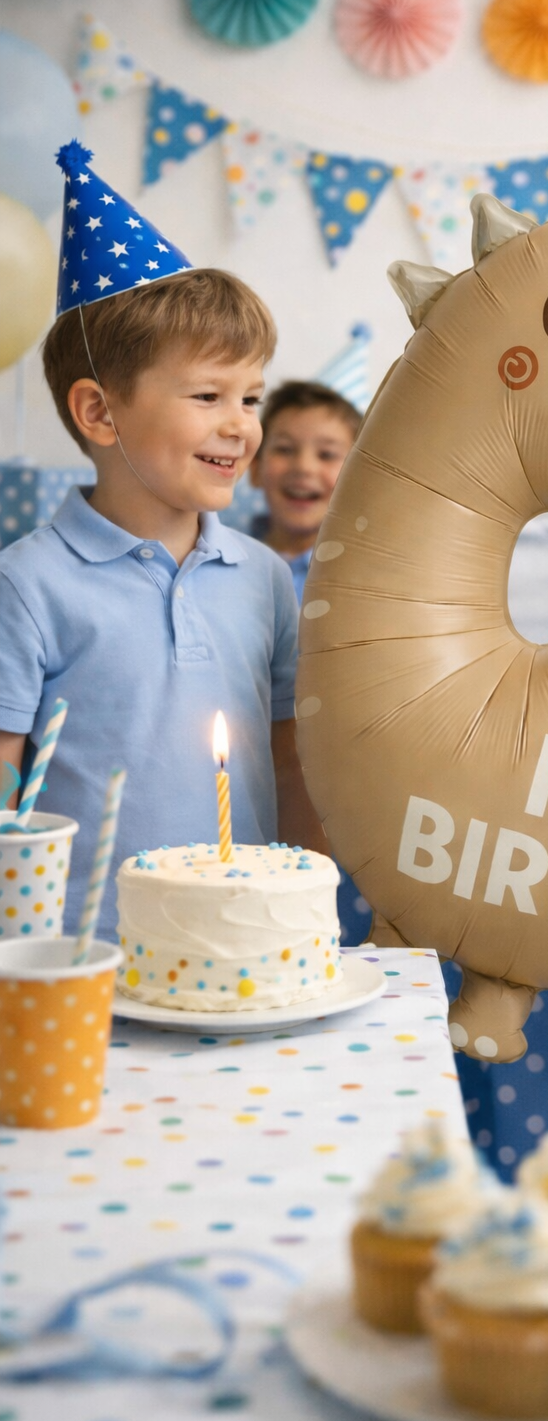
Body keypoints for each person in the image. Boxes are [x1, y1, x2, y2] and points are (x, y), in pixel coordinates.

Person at [0, 139, 326, 943]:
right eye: (208, 395)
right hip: (84, 953)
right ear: (99, 412)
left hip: (249, 942)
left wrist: (311, 918)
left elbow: (291, 760)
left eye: (251, 397)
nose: (240, 426)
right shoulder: (28, 583)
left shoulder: (263, 577)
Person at [248, 380, 361, 605]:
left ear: (359, 477)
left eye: (327, 454)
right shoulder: (219, 558)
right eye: (284, 449)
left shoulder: (366, 577)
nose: (304, 467)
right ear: (255, 468)